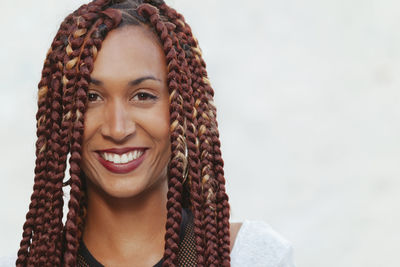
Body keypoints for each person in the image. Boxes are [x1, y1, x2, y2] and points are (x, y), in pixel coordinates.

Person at [12, 0, 295, 266]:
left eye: (143, 96)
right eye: (91, 98)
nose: (118, 128)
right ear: (62, 117)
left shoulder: (254, 256)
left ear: (182, 107)